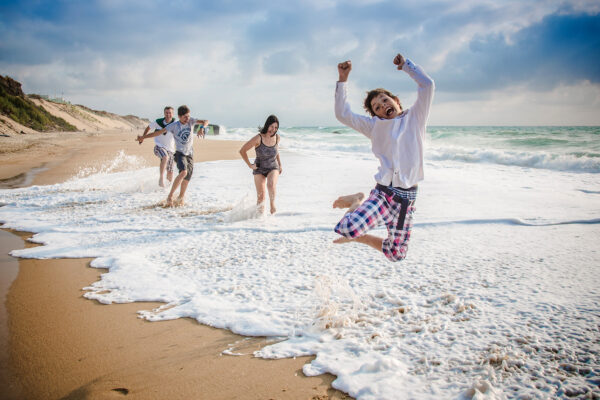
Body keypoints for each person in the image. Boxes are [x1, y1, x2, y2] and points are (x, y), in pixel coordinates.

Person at [332, 53, 435, 262]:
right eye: (377, 107)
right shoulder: (374, 127)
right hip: (384, 194)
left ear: (396, 101)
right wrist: (343, 80)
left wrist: (406, 66)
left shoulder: (415, 118)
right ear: (376, 115)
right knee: (347, 228)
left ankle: (360, 238)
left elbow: (428, 85)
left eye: (385, 100)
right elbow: (343, 114)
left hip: (407, 199)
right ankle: (357, 200)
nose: (383, 106)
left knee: (396, 254)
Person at [137, 105, 208, 207]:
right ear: (179, 116)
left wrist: (202, 128)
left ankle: (180, 198)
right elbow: (158, 133)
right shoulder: (174, 125)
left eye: (188, 116)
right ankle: (170, 196)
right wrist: (143, 137)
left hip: (190, 154)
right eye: (185, 117)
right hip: (179, 153)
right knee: (183, 172)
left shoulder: (191, 121)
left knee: (187, 177)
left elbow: (205, 121)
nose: (187, 119)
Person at [239, 115, 283, 214]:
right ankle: (259, 222)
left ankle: (272, 206)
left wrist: (280, 165)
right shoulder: (258, 138)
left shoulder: (277, 138)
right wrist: (250, 165)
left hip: (273, 167)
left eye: (276, 127)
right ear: (267, 125)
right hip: (259, 168)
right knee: (261, 199)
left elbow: (276, 151)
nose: (274, 130)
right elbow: (242, 151)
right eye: (272, 126)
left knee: (271, 185)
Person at [139, 106, 176, 187]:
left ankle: (167, 189)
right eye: (166, 112)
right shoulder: (158, 122)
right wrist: (142, 138)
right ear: (164, 113)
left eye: (170, 113)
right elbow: (148, 128)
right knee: (165, 157)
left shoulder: (175, 123)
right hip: (159, 147)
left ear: (173, 114)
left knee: (170, 171)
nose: (168, 114)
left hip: (171, 150)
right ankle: (161, 179)